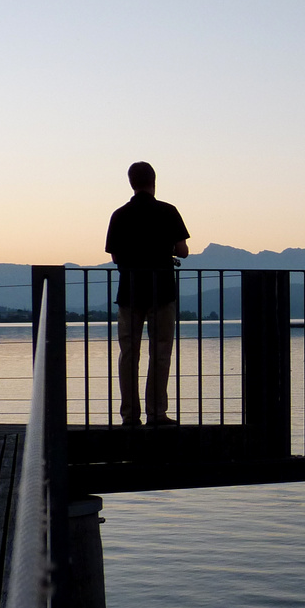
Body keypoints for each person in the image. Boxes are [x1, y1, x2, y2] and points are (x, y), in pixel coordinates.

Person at [105, 162, 190, 426]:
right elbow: (182, 250)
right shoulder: (168, 211)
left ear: (131, 182)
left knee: (129, 354)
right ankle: (157, 413)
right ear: (154, 181)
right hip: (161, 290)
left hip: (129, 292)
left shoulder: (119, 215)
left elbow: (115, 254)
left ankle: (130, 415)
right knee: (161, 351)